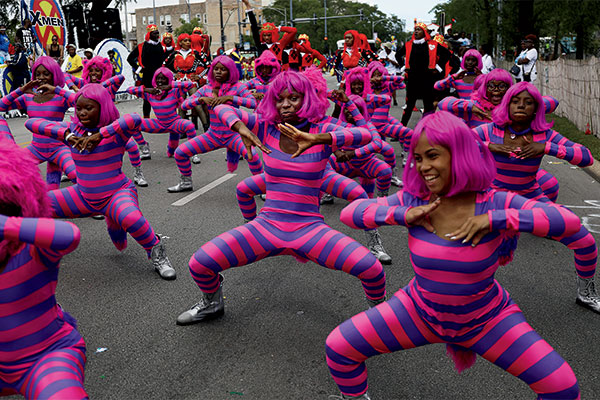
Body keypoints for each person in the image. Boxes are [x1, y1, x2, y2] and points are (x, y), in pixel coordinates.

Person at [326, 111, 582, 400]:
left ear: (459, 154)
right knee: (339, 347)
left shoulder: (494, 200)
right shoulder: (415, 198)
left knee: (561, 385)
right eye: (418, 158)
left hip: (486, 318)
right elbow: (351, 213)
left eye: (433, 156)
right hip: (419, 312)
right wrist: (403, 214)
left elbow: (567, 222)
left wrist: (497, 219)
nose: (423, 167)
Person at [175, 70, 386, 325]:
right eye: (279, 99)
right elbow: (223, 111)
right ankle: (212, 303)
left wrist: (319, 138)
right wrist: (240, 128)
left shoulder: (322, 129)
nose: (285, 104)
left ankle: (379, 318)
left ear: (306, 99)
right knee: (200, 263)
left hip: (310, 229)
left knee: (372, 270)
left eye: (294, 98)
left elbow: (367, 136)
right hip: (267, 225)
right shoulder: (266, 127)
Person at [25, 84, 176, 280]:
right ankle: (33, 253)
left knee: (130, 219)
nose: (82, 113)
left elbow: (135, 119)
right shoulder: (72, 130)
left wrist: (101, 134)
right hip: (82, 196)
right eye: (79, 108)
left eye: (89, 108)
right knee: (32, 204)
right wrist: (67, 136)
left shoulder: (116, 133)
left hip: (116, 194)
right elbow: (32, 123)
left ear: (102, 107)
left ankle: (157, 253)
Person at [474, 82, 599, 313]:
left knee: (586, 242)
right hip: (492, 199)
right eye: (515, 101)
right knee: (463, 248)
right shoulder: (490, 130)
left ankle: (586, 292)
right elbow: (451, 146)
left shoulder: (544, 135)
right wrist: (490, 146)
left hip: (532, 197)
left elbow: (587, 157)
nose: (521, 106)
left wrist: (547, 148)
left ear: (536, 109)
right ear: (506, 105)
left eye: (528, 102)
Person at [0, 141, 88, 400]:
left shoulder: (31, 250)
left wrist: (7, 227)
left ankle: (153, 246)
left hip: (46, 356)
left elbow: (68, 235)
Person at [168, 55, 261, 193]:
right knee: (180, 152)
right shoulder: (206, 88)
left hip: (233, 136)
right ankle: (186, 182)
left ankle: (261, 186)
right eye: (216, 69)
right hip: (213, 135)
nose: (218, 72)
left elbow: (252, 102)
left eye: (222, 69)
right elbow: (184, 105)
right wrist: (200, 99)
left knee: (252, 155)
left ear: (230, 71)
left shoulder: (238, 87)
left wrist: (230, 98)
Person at [0, 56, 77, 189]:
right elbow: (1, 106)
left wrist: (57, 89)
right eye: (37, 74)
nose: (41, 77)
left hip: (59, 150)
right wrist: (21, 90)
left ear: (54, 75)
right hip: (36, 149)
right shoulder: (28, 97)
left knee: (74, 177)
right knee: (11, 172)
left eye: (46, 74)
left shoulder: (60, 97)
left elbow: (83, 100)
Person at [395, 22, 450, 125]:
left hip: (427, 79)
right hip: (413, 79)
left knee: (428, 105)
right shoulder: (408, 45)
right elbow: (398, 55)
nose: (416, 31)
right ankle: (401, 130)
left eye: (419, 29)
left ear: (424, 32)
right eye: (415, 29)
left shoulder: (433, 44)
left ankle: (429, 129)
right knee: (409, 106)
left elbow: (446, 54)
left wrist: (438, 67)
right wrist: (403, 66)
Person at [127, 24, 166, 120]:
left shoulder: (160, 45)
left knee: (161, 95)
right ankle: (146, 118)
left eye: (157, 33)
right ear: (149, 34)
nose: (157, 35)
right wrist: (138, 69)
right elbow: (130, 58)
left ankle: (163, 118)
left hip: (160, 75)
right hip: (148, 74)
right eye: (154, 33)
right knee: (147, 98)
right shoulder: (142, 46)